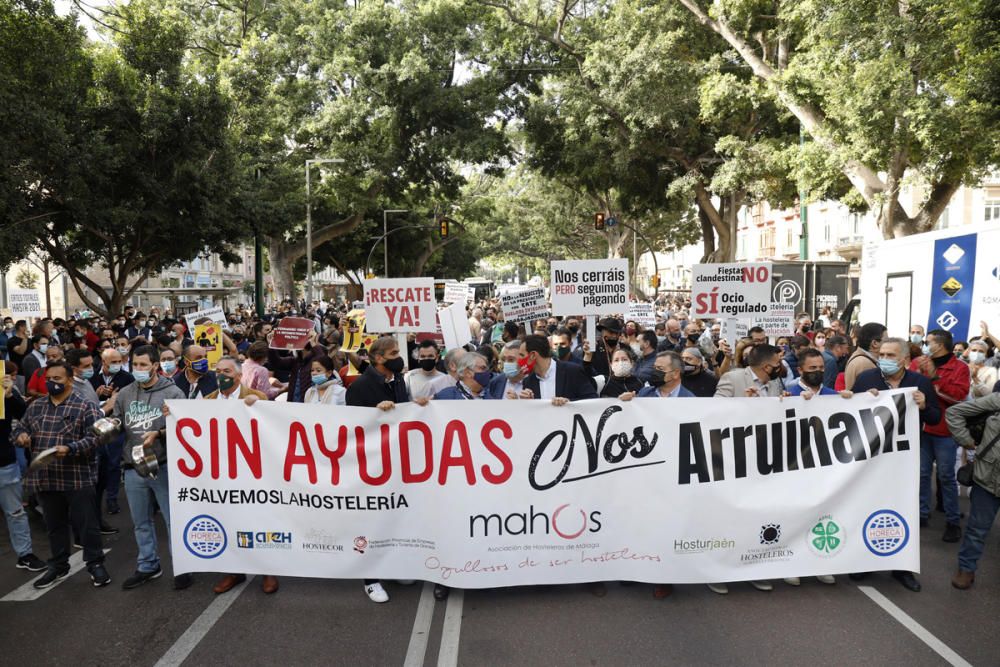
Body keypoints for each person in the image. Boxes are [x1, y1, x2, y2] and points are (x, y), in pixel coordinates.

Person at [851, 337, 940, 592]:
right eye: (883, 354)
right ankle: (865, 562)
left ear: (904, 360)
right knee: (867, 506)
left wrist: (923, 405)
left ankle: (902, 567)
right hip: (873, 458)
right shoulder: (868, 379)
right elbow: (847, 410)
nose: (885, 359)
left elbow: (935, 417)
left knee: (904, 510)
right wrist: (861, 399)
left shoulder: (920, 382)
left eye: (891, 355)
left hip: (905, 459)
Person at [12, 361, 110, 589]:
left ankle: (95, 564)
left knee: (87, 525)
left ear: (69, 379)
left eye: (57, 379)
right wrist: (21, 436)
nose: (51, 383)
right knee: (54, 526)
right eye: (49, 379)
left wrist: (72, 448)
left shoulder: (85, 406)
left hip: (77, 476)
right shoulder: (36, 406)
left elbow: (98, 437)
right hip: (46, 478)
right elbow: (19, 427)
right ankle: (59, 565)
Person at [345, 337, 428, 603]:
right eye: (393, 353)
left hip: (398, 462)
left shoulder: (399, 380)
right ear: (378, 358)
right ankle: (370, 578)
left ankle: (393, 566)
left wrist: (418, 407)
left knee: (396, 516)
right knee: (372, 521)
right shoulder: (359, 387)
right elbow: (355, 427)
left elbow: (403, 415)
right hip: (372, 465)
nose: (398, 357)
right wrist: (376, 413)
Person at [113, 346, 190, 590]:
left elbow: (185, 427)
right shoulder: (125, 393)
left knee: (172, 520)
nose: (138, 369)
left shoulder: (174, 393)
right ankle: (148, 565)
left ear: (156, 365)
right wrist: (108, 424)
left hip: (164, 466)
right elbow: (118, 422)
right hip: (133, 466)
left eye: (144, 365)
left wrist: (160, 433)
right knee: (141, 521)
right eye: (135, 365)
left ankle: (182, 566)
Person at [201, 357, 276, 595]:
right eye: (218, 371)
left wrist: (259, 406)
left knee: (259, 520)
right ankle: (234, 571)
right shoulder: (208, 400)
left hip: (253, 471)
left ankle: (267, 570)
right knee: (229, 519)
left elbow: (273, 429)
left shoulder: (256, 397)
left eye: (226, 371)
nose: (221, 375)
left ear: (237, 375)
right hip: (224, 471)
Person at [909, 329, 969, 543]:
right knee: (922, 474)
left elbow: (959, 397)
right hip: (922, 429)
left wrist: (934, 377)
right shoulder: (918, 363)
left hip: (945, 430)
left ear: (940, 345)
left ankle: (953, 521)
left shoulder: (960, 368)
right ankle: (921, 514)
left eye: (928, 342)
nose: (924, 345)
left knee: (946, 476)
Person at [945, 393, 1000, 589]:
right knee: (977, 529)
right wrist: (967, 441)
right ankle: (966, 568)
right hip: (987, 480)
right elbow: (954, 413)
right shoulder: (997, 400)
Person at [1, 362, 47, 573]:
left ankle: (25, 554)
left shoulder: (5, 387)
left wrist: (10, 395)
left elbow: (25, 415)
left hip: (4, 462)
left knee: (16, 512)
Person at [519, 334, 598, 403]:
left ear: (533, 355)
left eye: (522, 355)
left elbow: (592, 400)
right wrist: (529, 403)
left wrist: (569, 403)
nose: (518, 360)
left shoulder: (572, 371)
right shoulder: (528, 382)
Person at [714, 344, 786, 398]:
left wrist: (785, 402)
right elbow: (717, 407)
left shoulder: (775, 381)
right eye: (778, 363)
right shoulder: (732, 379)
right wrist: (746, 402)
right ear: (767, 367)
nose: (780, 365)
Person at [844, 323, 886, 390]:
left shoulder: (860, 358)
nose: (889, 344)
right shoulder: (864, 364)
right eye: (886, 341)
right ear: (875, 343)